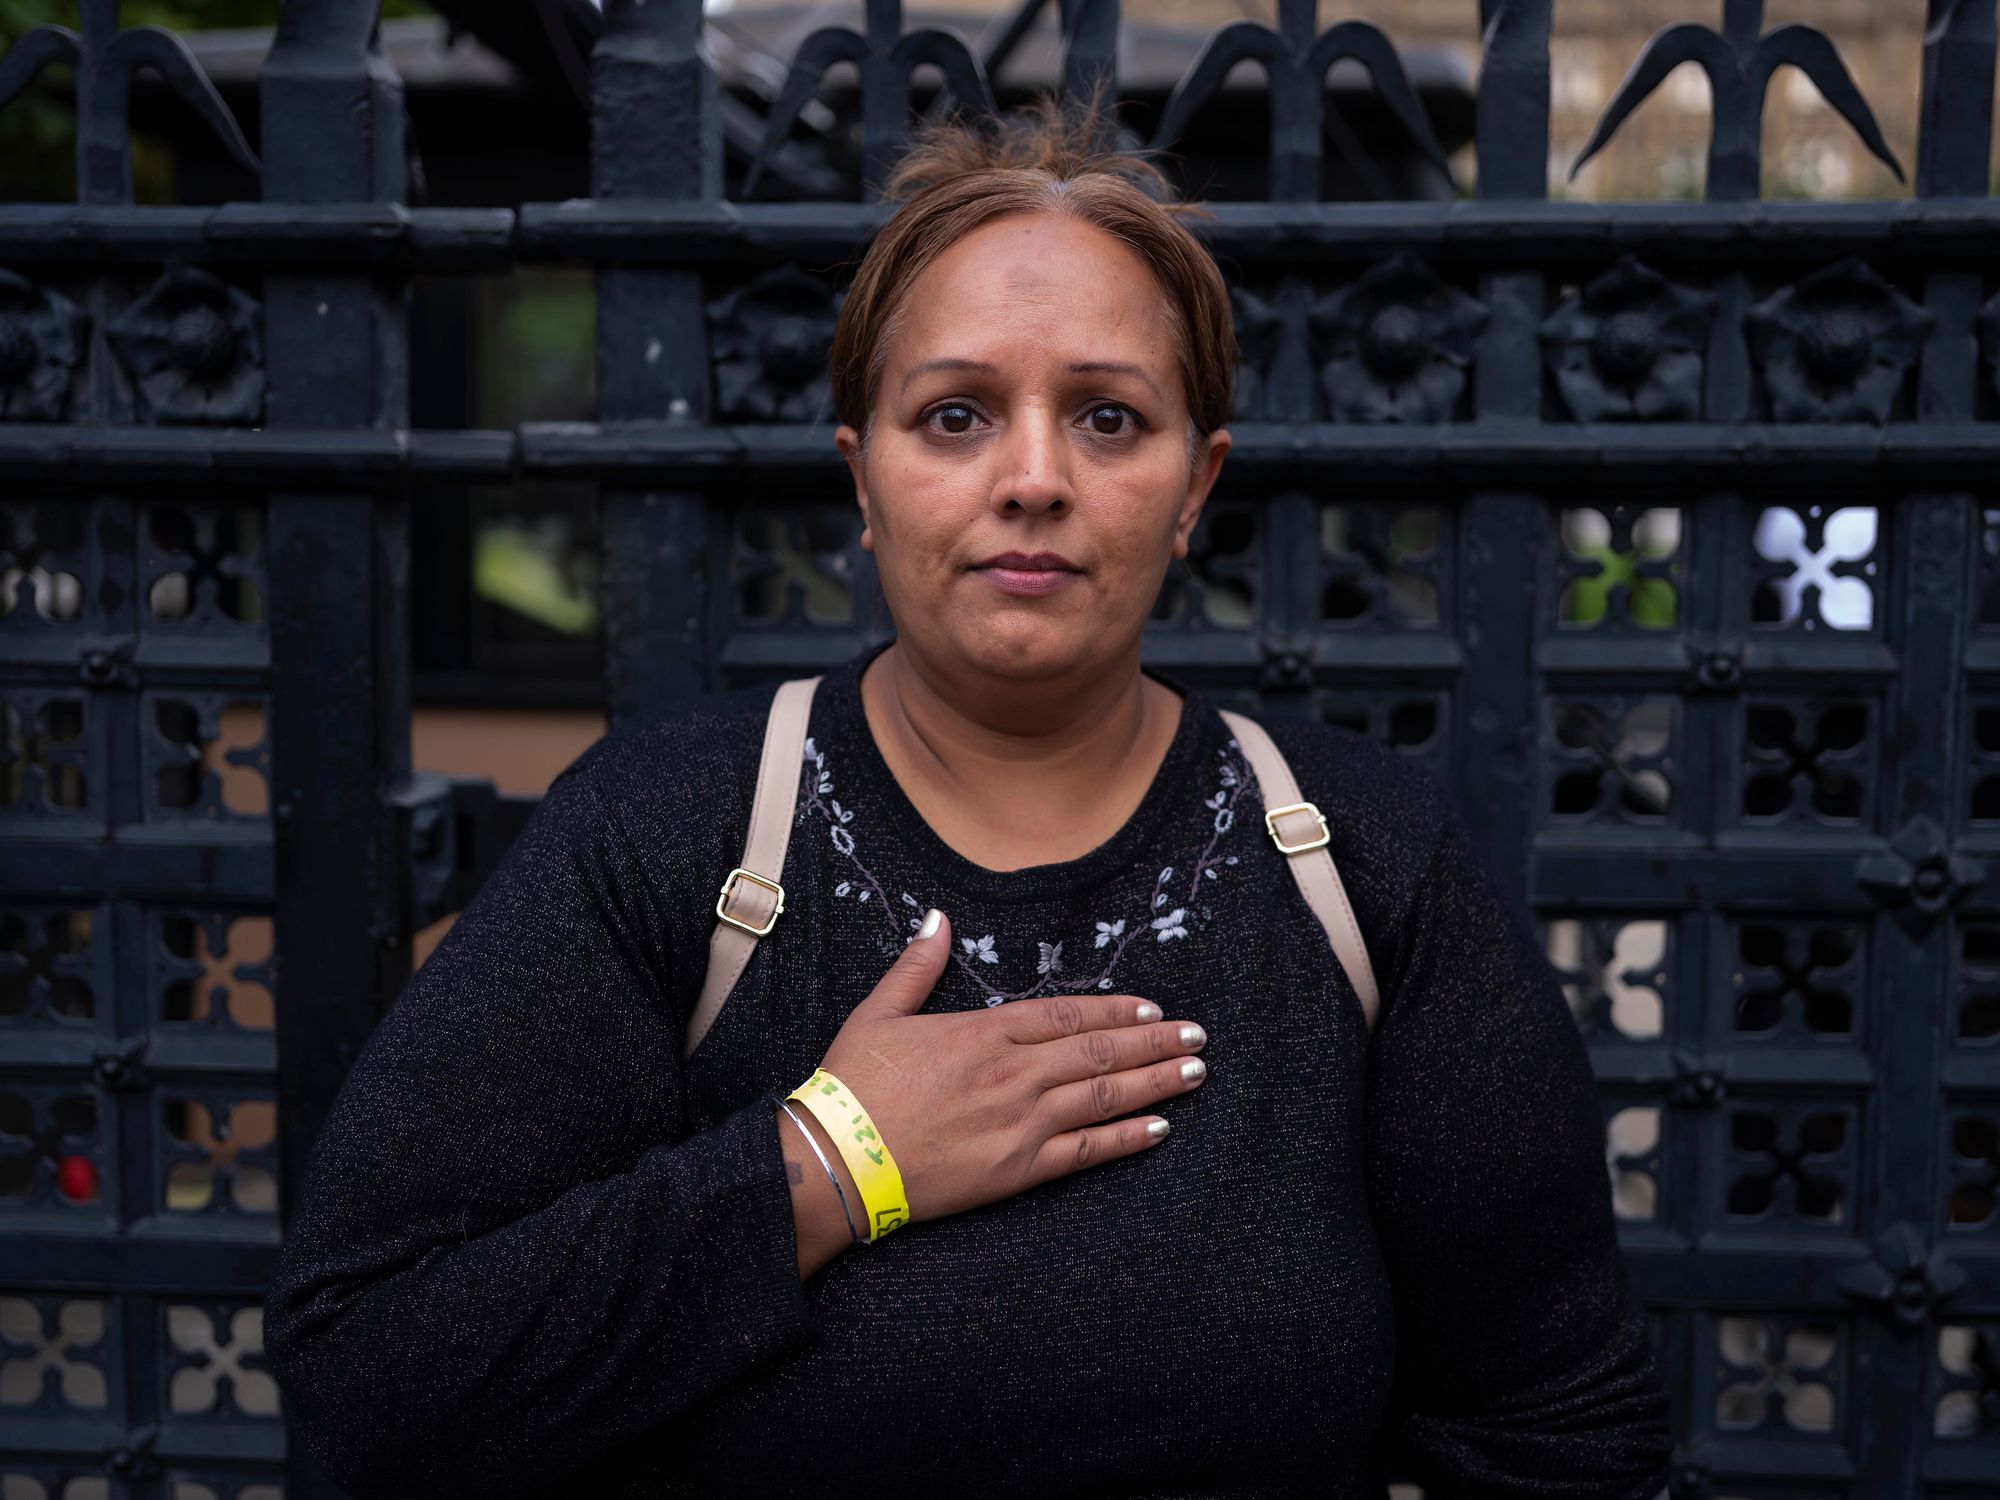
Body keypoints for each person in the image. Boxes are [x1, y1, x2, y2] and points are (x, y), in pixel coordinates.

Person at [263, 100, 1675, 1499]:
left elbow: (1559, 1430)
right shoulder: (674, 831)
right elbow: (365, 1366)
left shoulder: (1361, 862)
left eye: (1111, 418)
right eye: (955, 415)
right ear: (862, 477)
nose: (1036, 479)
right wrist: (829, 1161)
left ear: (1198, 485)